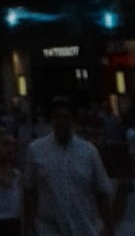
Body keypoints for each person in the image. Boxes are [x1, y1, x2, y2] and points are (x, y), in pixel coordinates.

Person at [24, 97, 113, 236]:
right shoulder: (35, 151)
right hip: (48, 229)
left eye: (66, 117)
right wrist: (29, 225)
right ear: (51, 120)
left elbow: (101, 191)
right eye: (57, 117)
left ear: (73, 121)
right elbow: (29, 190)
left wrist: (108, 226)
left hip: (83, 228)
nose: (61, 122)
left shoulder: (89, 152)